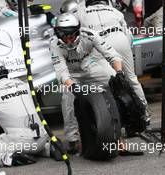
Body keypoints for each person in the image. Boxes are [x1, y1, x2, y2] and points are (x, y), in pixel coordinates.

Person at [0, 58, 61, 167]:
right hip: (43, 138)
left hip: (18, 143)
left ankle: (8, 159)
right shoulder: (22, 84)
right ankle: (48, 149)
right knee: (31, 143)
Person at [50, 12, 123, 153]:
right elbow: (61, 71)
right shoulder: (54, 44)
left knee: (117, 82)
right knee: (67, 99)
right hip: (71, 76)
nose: (67, 40)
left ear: (77, 32)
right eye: (63, 36)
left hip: (89, 68)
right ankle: (73, 140)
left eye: (70, 36)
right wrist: (71, 86)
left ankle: (124, 128)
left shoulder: (90, 35)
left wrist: (119, 74)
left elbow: (111, 54)